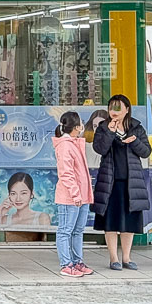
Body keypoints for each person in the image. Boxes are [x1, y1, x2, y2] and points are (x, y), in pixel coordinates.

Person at [91, 94, 152, 270]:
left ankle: (126, 257)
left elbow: (146, 152)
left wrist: (134, 142)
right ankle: (113, 258)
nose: (114, 111)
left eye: (118, 108)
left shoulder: (136, 127)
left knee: (129, 221)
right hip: (110, 181)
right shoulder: (103, 127)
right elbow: (100, 148)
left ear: (127, 109)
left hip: (131, 181)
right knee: (110, 221)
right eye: (111, 108)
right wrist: (110, 131)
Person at [53, 111, 94, 277]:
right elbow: (66, 173)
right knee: (65, 231)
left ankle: (77, 262)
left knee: (77, 231)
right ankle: (66, 264)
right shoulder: (64, 145)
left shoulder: (74, 143)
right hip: (70, 197)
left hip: (81, 197)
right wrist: (76, 194)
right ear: (77, 126)